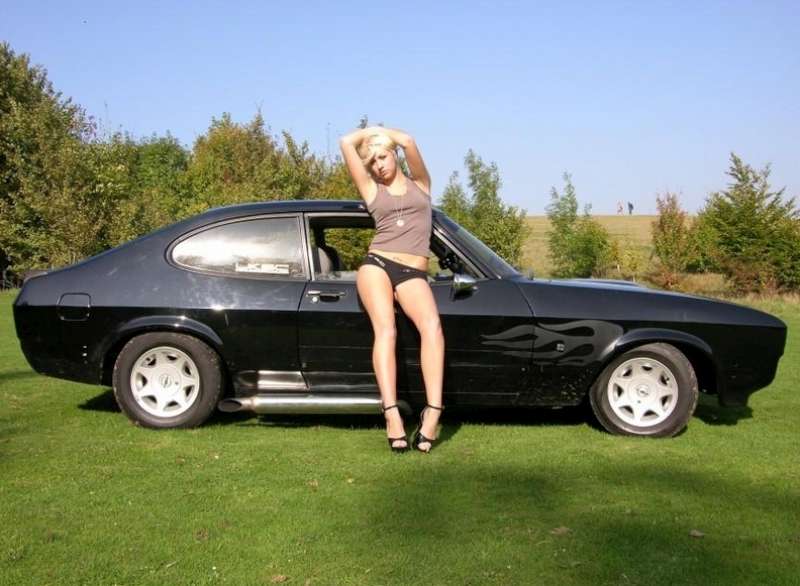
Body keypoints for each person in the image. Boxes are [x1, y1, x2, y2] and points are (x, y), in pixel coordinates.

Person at [339, 126, 444, 453]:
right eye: (372, 162)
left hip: (413, 270)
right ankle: (391, 413)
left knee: (432, 327)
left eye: (382, 157)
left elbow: (409, 140)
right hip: (378, 263)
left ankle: (433, 412)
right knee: (386, 331)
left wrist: (379, 132)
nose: (378, 165)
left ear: (393, 155)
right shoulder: (372, 190)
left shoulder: (421, 184)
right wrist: (368, 142)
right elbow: (345, 142)